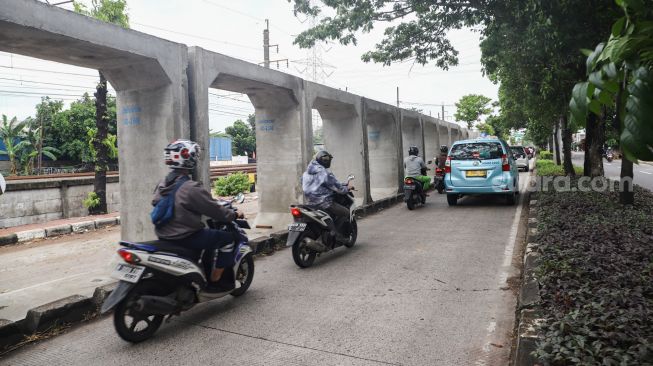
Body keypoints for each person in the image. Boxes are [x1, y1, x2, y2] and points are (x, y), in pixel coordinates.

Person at [152, 139, 244, 293]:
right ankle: (215, 281)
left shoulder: (162, 184)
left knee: (210, 237)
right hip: (186, 236)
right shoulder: (190, 187)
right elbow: (215, 210)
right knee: (228, 239)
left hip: (163, 235)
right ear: (190, 158)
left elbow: (155, 202)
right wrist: (233, 214)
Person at [302, 150, 353, 237]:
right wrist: (346, 189)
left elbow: (320, 184)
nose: (329, 161)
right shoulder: (324, 172)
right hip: (325, 202)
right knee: (346, 213)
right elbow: (337, 187)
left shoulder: (306, 172)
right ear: (325, 160)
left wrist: (342, 184)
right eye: (327, 159)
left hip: (310, 203)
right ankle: (335, 233)